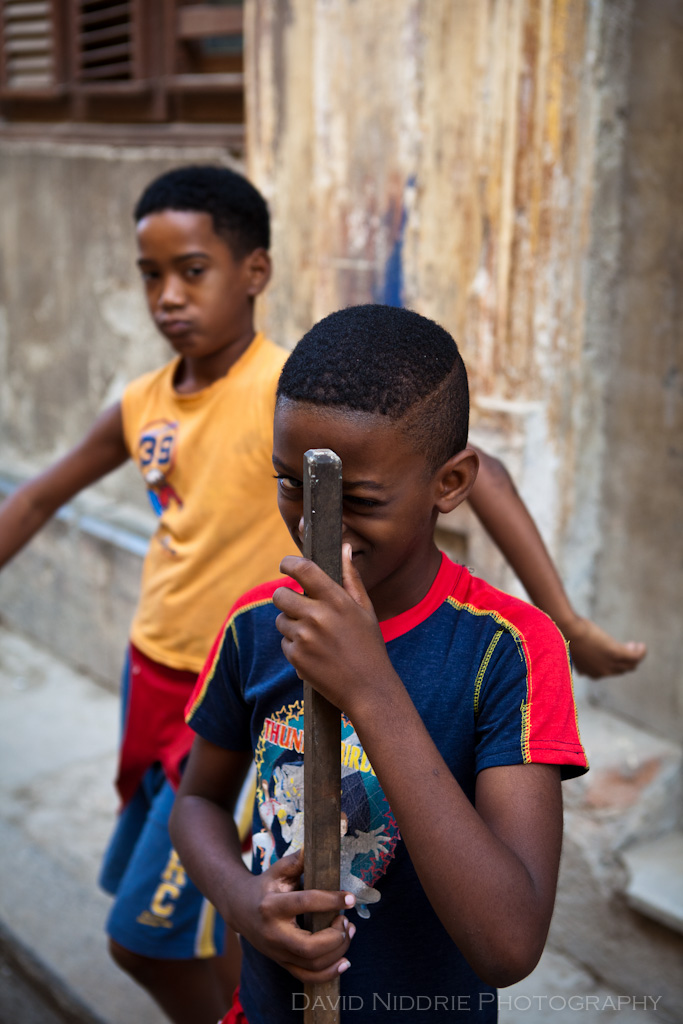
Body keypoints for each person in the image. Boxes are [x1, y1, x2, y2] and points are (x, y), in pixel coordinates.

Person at [169, 303, 590, 1024]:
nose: (313, 524)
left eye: (356, 500)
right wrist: (242, 900)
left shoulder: (507, 650)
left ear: (450, 484)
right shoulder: (257, 624)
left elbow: (508, 945)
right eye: (289, 484)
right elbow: (197, 803)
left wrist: (369, 686)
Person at [0, 164, 296, 1024]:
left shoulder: (286, 390)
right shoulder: (141, 403)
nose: (168, 295)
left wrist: (564, 618)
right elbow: (37, 495)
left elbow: (475, 469)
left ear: (254, 272)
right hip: (153, 680)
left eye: (192, 270)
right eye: (150, 274)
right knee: (212, 914)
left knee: (143, 936)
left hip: (241, 701)